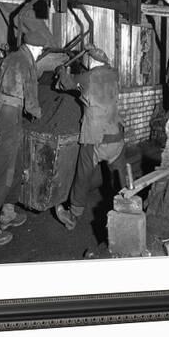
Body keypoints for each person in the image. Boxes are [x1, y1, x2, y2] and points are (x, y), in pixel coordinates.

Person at [0, 30, 47, 246]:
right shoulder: (25, 62)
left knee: (16, 167)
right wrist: (37, 113)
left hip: (8, 113)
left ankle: (7, 213)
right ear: (36, 49)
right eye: (41, 51)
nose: (40, 54)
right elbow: (31, 98)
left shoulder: (13, 57)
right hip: (8, 116)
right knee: (3, 174)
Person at [54, 45, 126, 230]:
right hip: (116, 136)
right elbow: (107, 64)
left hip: (96, 138)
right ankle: (126, 211)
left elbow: (65, 84)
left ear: (90, 61)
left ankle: (73, 215)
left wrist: (62, 71)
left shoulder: (87, 77)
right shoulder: (114, 74)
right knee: (120, 178)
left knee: (83, 177)